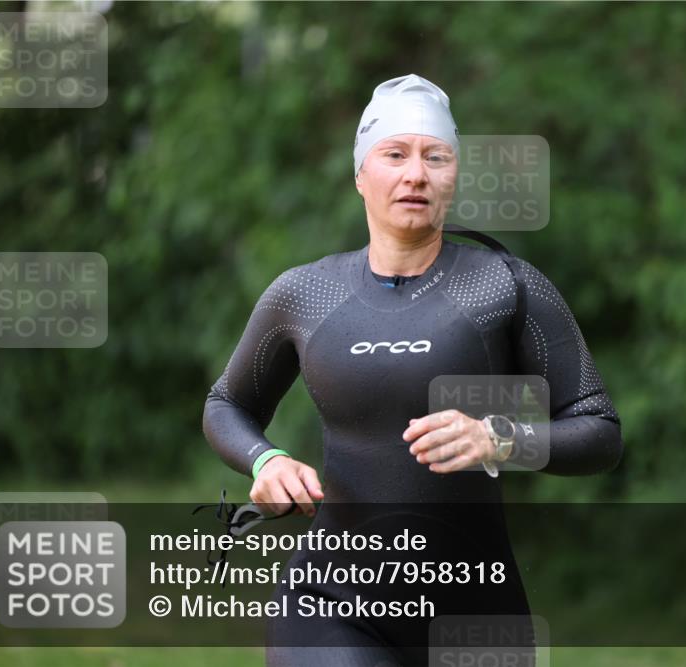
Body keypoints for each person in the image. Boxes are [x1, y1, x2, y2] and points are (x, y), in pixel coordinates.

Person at [203, 73, 623, 667]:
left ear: (454, 177)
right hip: (332, 603)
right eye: (394, 154)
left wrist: (499, 438)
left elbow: (599, 431)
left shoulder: (505, 287)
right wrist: (265, 461)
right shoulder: (305, 294)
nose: (416, 174)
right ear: (359, 175)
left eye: (436, 156)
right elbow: (228, 404)